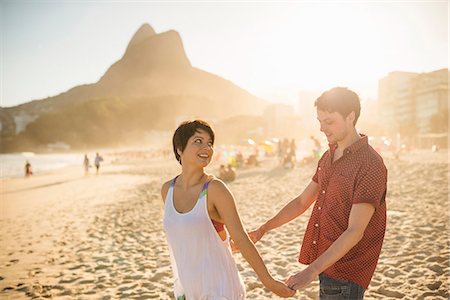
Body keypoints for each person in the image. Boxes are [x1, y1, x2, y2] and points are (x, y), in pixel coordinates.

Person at [250, 87, 388, 299]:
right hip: (325, 262)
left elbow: (355, 231)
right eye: (320, 121)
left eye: (329, 121)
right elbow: (301, 202)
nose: (322, 128)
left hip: (346, 271)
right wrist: (264, 229)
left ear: (350, 117)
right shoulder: (327, 156)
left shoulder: (370, 164)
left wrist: (310, 271)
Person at [161, 120, 294, 299]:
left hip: (219, 288)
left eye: (209, 143)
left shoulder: (214, 189)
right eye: (198, 141)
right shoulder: (167, 190)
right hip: (187, 288)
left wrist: (268, 281)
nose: (206, 148)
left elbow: (240, 237)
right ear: (179, 149)